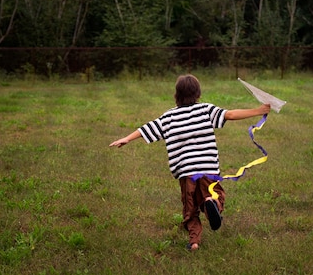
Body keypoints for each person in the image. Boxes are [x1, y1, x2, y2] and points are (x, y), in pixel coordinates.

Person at [109, 74, 270, 251]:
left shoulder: (169, 117)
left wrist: (126, 138)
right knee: (216, 195)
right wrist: (258, 110)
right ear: (198, 93)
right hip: (207, 169)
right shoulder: (205, 110)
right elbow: (230, 114)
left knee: (190, 208)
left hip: (186, 172)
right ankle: (212, 203)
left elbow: (147, 128)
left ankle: (194, 242)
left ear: (177, 94)